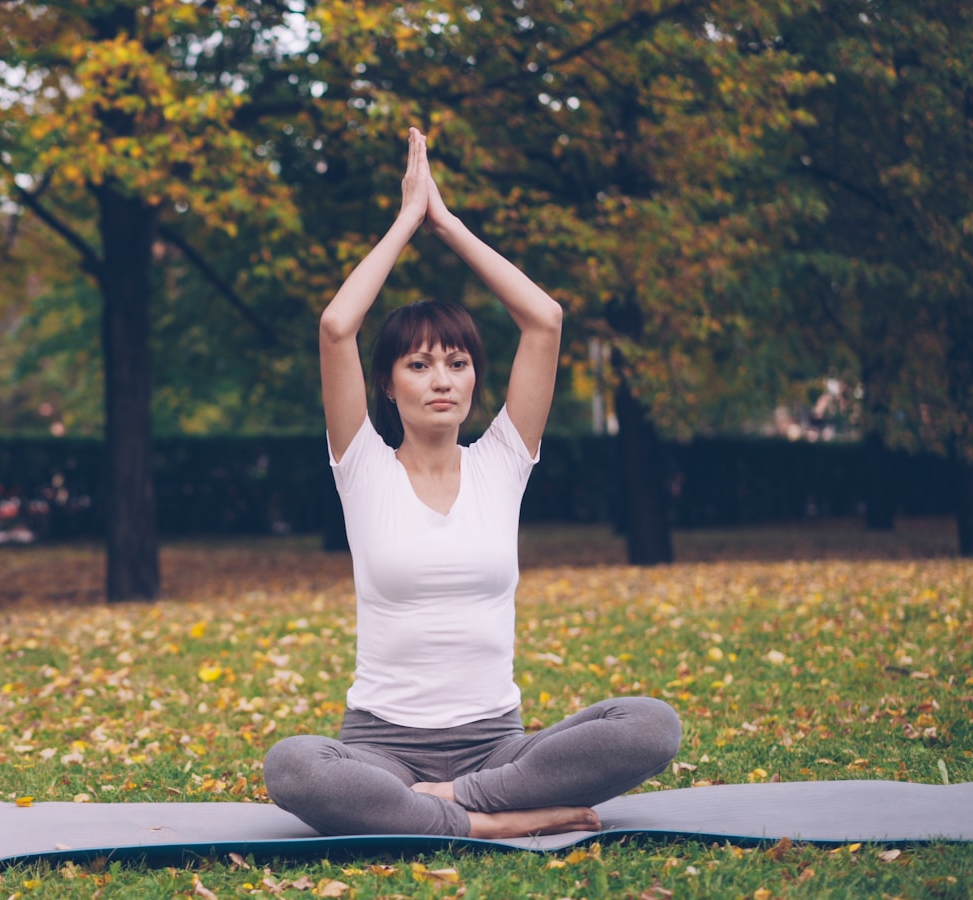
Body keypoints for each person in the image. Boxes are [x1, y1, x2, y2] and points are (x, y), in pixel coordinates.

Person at [261, 129, 681, 839]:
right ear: (387, 387)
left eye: (456, 363)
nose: (442, 380)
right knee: (293, 766)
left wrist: (447, 222)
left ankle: (452, 802)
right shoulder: (361, 464)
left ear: (475, 378)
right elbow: (337, 326)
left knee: (650, 724)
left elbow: (543, 318)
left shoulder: (503, 461)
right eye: (419, 366)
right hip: (379, 748)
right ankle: (484, 824)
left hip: (498, 747)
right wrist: (405, 220)